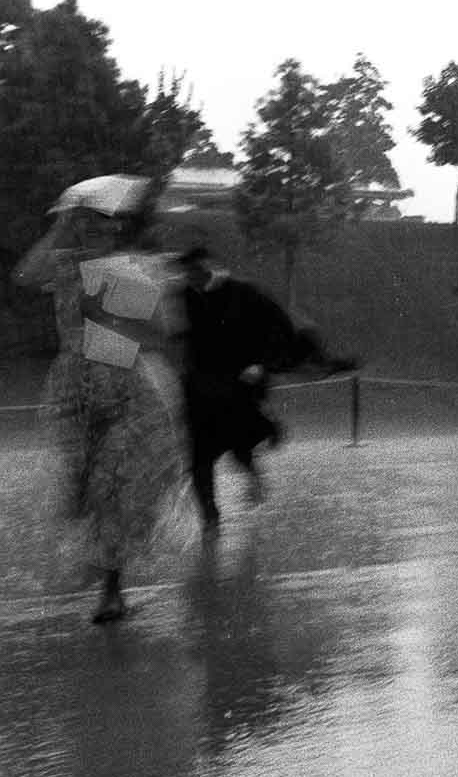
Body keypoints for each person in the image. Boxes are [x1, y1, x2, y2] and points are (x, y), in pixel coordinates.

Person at [12, 175, 183, 623]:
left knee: (114, 484)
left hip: (123, 383)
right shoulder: (66, 266)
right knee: (84, 483)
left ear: (114, 231)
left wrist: (110, 315)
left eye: (100, 226)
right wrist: (59, 229)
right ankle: (99, 556)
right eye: (84, 225)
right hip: (73, 387)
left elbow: (159, 333)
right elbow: (26, 274)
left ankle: (112, 589)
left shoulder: (123, 272)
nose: (92, 233)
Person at [174, 245, 300, 529]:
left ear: (209, 268)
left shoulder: (245, 294)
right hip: (199, 390)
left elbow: (278, 329)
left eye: (195, 272)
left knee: (238, 448)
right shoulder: (184, 296)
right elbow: (179, 336)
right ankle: (210, 518)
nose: (191, 279)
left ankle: (255, 477)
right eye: (187, 273)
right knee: (199, 459)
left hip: (238, 387)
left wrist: (261, 364)